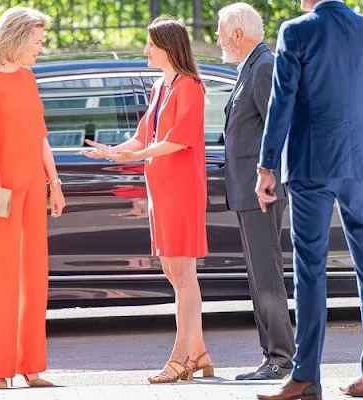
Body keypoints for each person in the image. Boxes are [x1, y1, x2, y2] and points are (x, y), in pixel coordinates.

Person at [81, 16, 212, 384]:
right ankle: (199, 352)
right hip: (161, 190)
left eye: (150, 44)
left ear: (168, 47)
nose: (146, 50)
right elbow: (143, 138)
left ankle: (181, 359)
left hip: (182, 189)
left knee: (183, 275)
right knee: (174, 273)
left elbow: (176, 141)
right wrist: (111, 152)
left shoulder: (190, 87)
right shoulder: (160, 87)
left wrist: (131, 156)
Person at [254, 0, 363, 398]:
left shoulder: (296, 30)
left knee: (310, 271)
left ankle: (305, 376)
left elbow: (281, 100)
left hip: (310, 163)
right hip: (362, 163)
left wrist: (266, 165)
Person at [0, 6, 66, 390]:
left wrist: (55, 184)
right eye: (37, 42)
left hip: (33, 187)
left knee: (34, 279)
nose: (40, 49)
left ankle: (32, 366)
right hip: (1, 190)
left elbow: (40, 135)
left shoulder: (27, 78)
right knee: (1, 280)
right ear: (18, 38)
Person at [217, 2, 295, 381]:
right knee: (258, 275)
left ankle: (281, 358)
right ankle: (272, 356)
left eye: (220, 31)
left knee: (266, 275)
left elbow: (279, 128)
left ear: (236, 33)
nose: (218, 39)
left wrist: (269, 177)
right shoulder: (250, 66)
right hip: (248, 190)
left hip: (261, 191)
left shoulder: (263, 66)